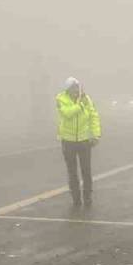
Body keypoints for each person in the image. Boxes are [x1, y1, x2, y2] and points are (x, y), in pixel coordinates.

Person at [56, 77, 101, 207]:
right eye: (73, 88)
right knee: (72, 172)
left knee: (86, 170)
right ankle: (76, 198)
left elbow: (93, 117)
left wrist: (96, 135)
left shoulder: (86, 99)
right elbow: (67, 114)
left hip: (84, 141)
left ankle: (87, 196)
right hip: (68, 141)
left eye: (78, 87)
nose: (76, 90)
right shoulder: (60, 99)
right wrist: (80, 105)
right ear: (68, 90)